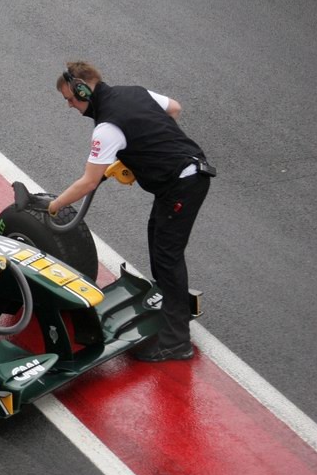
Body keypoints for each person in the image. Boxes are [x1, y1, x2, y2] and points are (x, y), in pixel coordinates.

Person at [47, 61, 213, 362]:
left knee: (167, 256)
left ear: (84, 89)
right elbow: (174, 108)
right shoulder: (134, 92)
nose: (69, 105)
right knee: (157, 242)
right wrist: (146, 147)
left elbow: (89, 181)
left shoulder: (107, 128)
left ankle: (176, 343)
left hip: (182, 184)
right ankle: (171, 309)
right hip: (184, 176)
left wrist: (54, 206)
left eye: (70, 98)